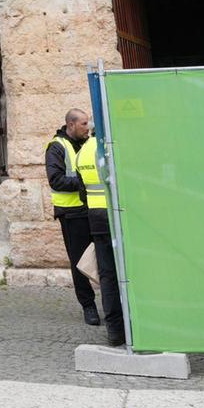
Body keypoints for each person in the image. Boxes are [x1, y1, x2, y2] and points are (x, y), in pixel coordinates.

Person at [45, 107, 99, 326]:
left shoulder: (88, 143)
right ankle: (88, 306)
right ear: (71, 125)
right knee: (79, 262)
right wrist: (84, 181)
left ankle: (112, 302)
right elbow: (56, 180)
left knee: (103, 257)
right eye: (84, 124)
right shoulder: (57, 147)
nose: (88, 127)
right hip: (71, 214)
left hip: (93, 209)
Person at [75, 127, 126, 348]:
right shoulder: (111, 147)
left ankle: (114, 330)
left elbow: (81, 192)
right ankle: (136, 326)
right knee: (130, 271)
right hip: (118, 214)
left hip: (96, 217)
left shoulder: (82, 151)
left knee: (107, 275)